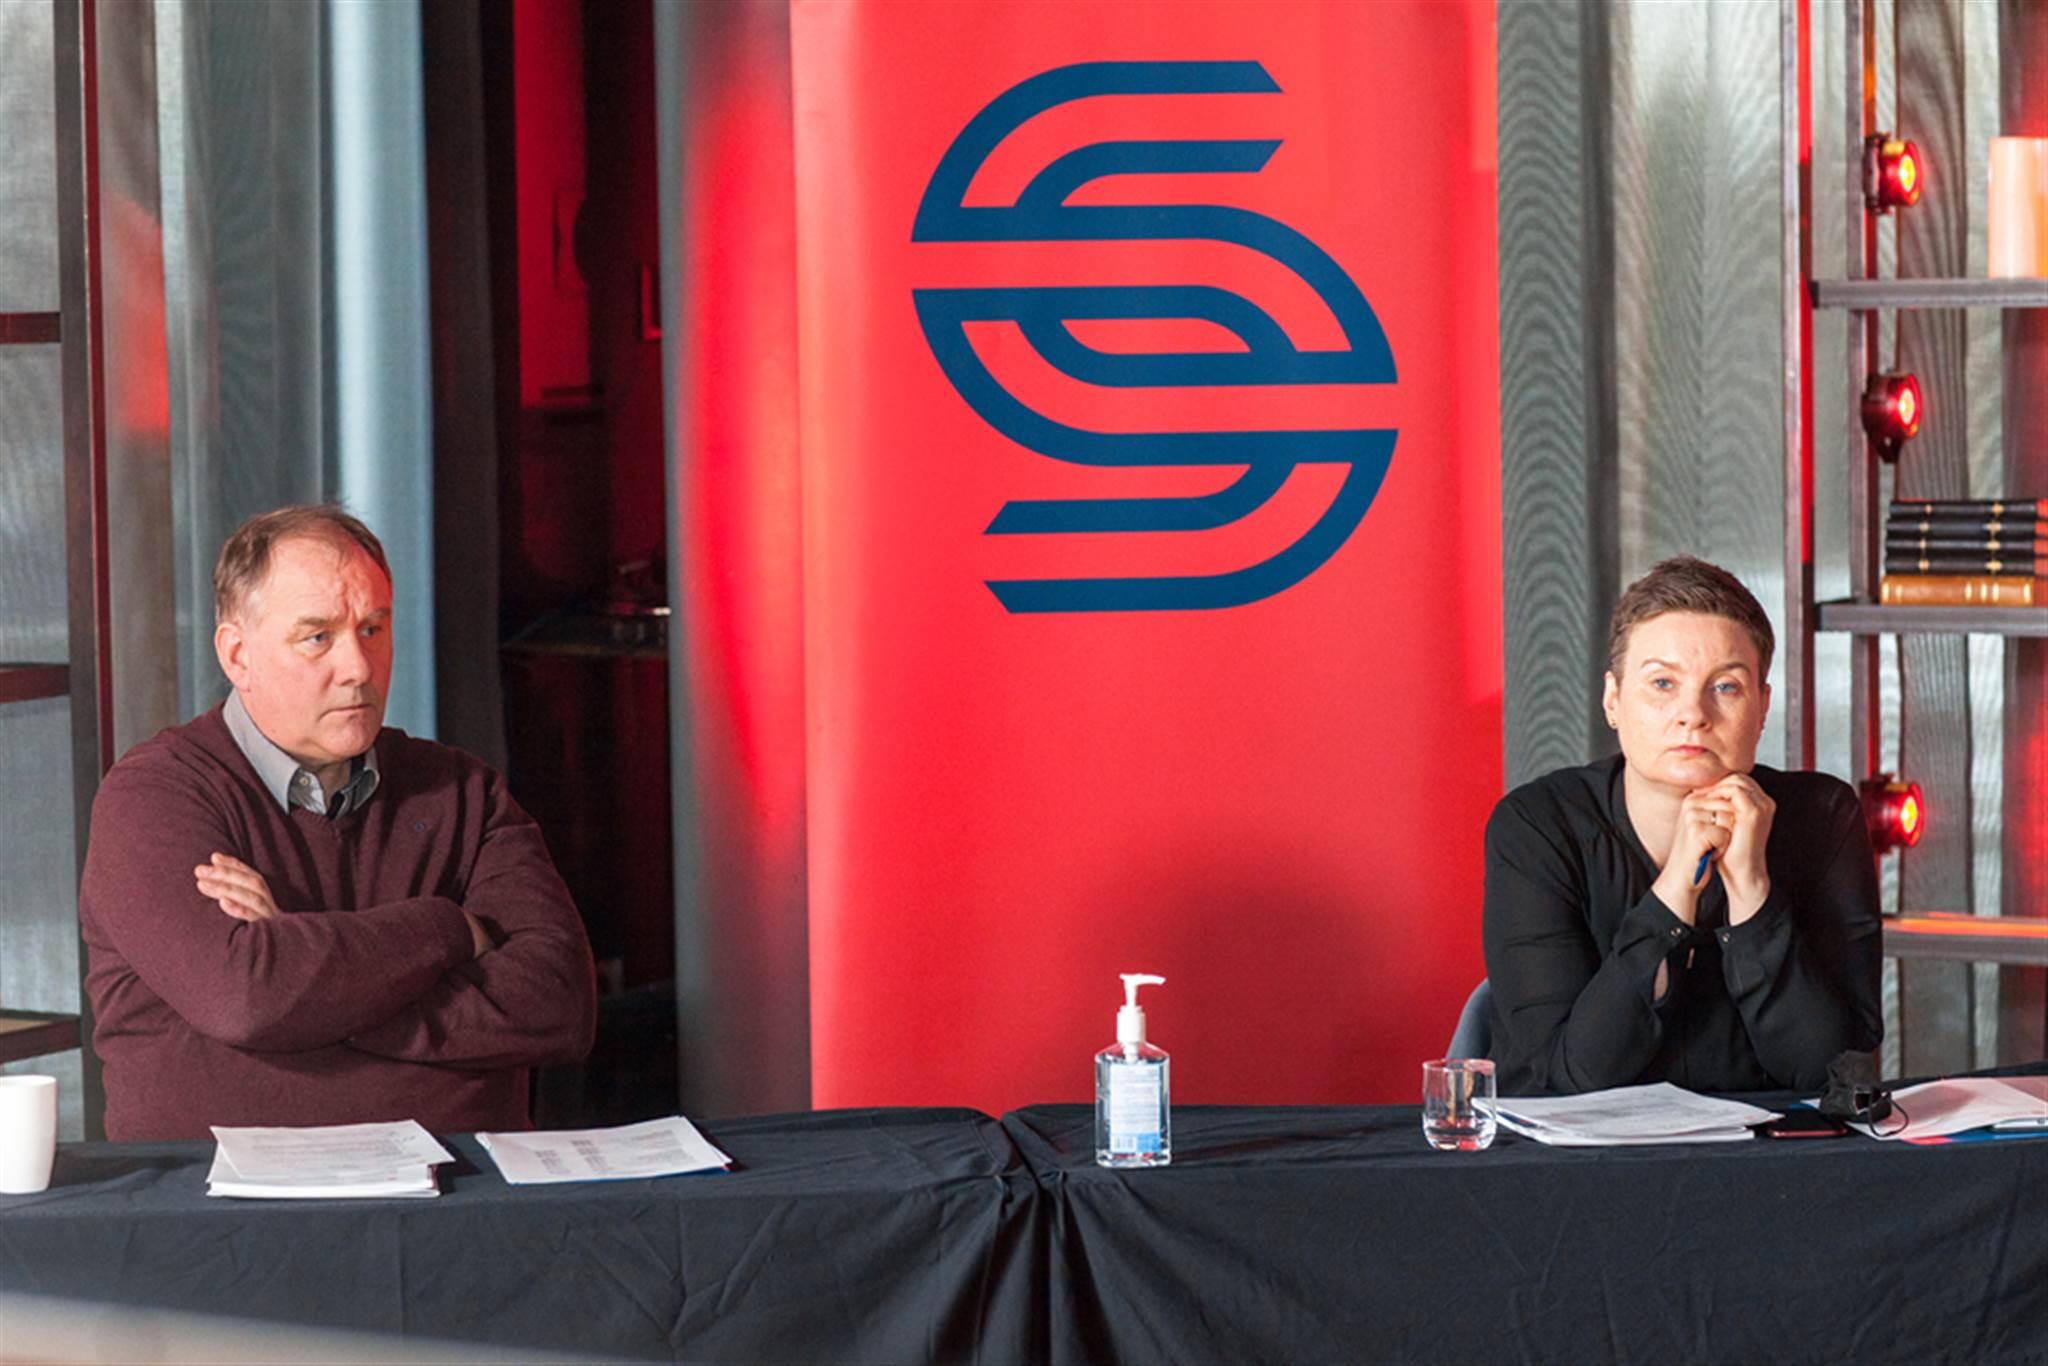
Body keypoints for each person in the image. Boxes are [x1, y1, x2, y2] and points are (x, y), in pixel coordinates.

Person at [79, 506, 597, 1140]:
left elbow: (559, 1004)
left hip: (463, 1186)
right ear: (238, 656)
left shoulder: (462, 792)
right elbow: (244, 1000)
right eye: (317, 638)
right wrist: (449, 929)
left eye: (373, 628)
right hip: (223, 1195)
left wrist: (300, 974)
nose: (358, 667)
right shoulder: (155, 798)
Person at [1482, 556, 1882, 1096]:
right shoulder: (1537, 828)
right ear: (1613, 701)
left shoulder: (1823, 818)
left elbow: (1836, 1076)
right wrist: (1674, 893)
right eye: (1663, 683)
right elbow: (1564, 1078)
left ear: (1763, 706)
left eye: (1726, 687)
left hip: (1765, 1148)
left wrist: (1752, 894)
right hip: (1583, 1148)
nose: (1693, 713)